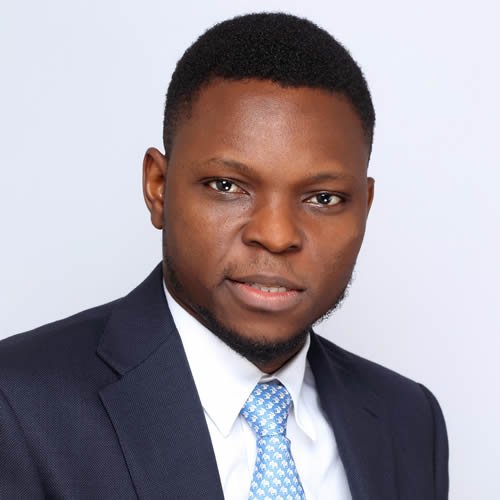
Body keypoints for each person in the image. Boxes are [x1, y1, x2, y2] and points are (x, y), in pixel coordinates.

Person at [0, 12, 448, 500]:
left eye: (323, 198)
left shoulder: (408, 419)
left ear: (365, 206)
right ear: (158, 188)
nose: (275, 236)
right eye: (227, 186)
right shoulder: (19, 407)